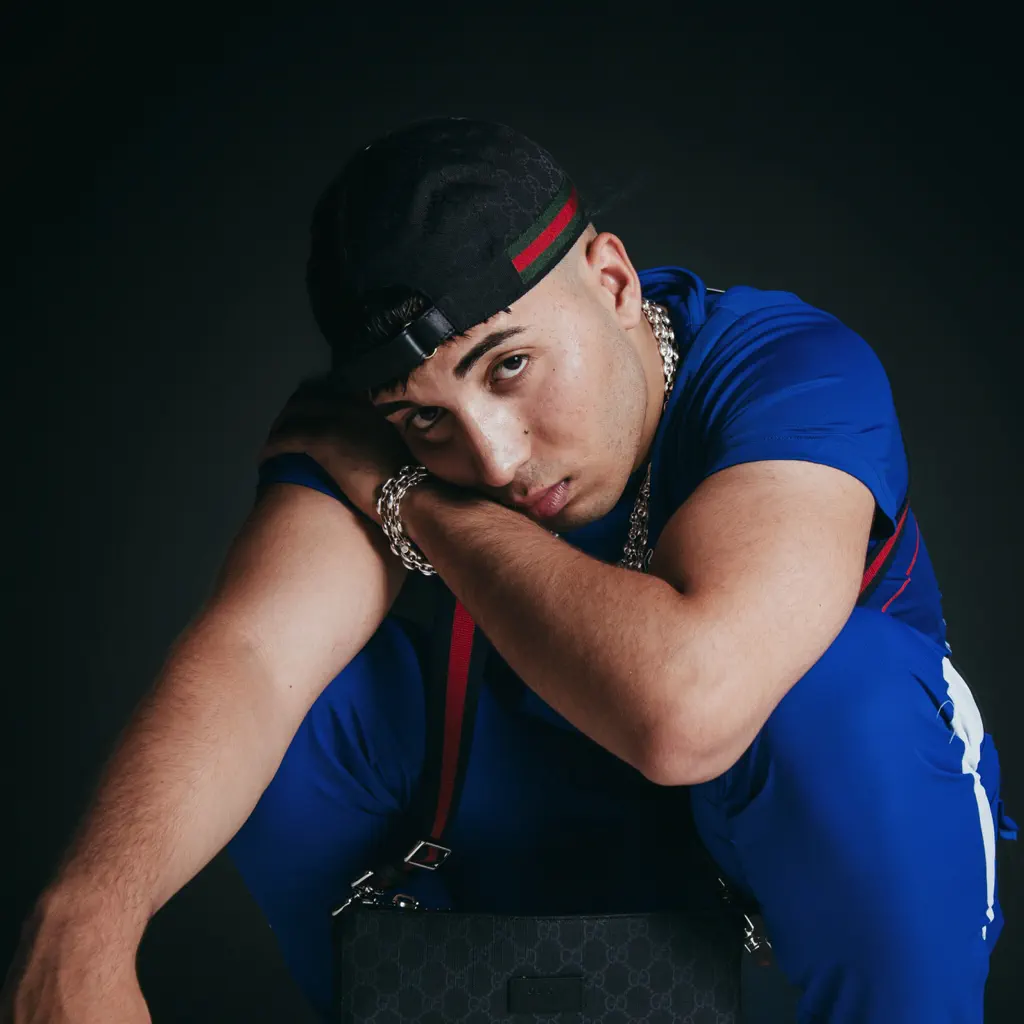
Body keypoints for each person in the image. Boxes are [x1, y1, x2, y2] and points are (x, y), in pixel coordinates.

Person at [3, 117, 1016, 1024]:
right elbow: (255, 656)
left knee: (844, 694)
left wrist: (414, 498)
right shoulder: (366, 433)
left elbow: (689, 710)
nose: (492, 458)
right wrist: (84, 922)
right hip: (529, 836)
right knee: (301, 717)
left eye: (511, 366)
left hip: (787, 844)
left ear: (613, 282)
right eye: (423, 419)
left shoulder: (782, 368)